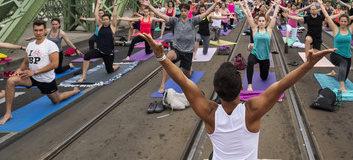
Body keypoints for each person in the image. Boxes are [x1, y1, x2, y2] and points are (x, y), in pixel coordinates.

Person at [138, 32, 335, 160]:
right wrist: (308, 64)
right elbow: (282, 85)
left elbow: (182, 80)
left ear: (216, 89)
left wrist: (161, 57)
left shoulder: (209, 112)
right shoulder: (252, 110)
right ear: (242, 87)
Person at [0, 20, 81, 125]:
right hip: (32, 77)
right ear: (33, 31)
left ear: (45, 31)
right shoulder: (30, 45)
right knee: (10, 81)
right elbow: (26, 61)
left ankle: (74, 91)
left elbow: (55, 64)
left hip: (46, 79)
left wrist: (35, 72)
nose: (38, 33)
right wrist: (19, 69)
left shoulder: (50, 45)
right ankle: (8, 113)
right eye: (36, 30)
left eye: (40, 30)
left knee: (56, 100)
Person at [142, 0, 221, 94]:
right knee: (166, 58)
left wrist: (215, 3)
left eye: (185, 11)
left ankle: (190, 69)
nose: (183, 12)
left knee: (187, 75)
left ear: (188, 12)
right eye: (182, 11)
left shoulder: (193, 21)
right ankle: (162, 85)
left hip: (188, 52)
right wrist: (149, 6)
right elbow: (161, 15)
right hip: (177, 49)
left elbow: (206, 13)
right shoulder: (175, 21)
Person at [320, 0, 353, 92]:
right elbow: (327, 17)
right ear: (339, 21)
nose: (343, 23)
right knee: (343, 64)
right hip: (336, 55)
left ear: (347, 22)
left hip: (347, 56)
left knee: (342, 76)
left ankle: (334, 74)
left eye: (345, 21)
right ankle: (342, 87)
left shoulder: (350, 29)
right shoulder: (335, 29)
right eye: (341, 21)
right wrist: (321, 5)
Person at [241, 0, 280, 91]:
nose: (261, 22)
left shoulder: (269, 30)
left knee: (264, 78)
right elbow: (249, 16)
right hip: (255, 54)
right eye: (260, 21)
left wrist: (277, 5)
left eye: (263, 21)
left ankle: (263, 74)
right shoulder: (254, 29)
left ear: (265, 22)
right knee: (250, 61)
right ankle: (250, 85)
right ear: (257, 22)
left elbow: (274, 17)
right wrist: (246, 4)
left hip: (265, 57)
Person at [77, 2, 120, 83]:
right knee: (87, 56)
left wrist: (114, 5)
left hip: (109, 53)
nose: (105, 21)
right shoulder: (100, 26)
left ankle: (116, 66)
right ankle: (83, 76)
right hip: (99, 50)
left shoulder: (113, 27)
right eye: (103, 19)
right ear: (102, 20)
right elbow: (96, 15)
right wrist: (97, 4)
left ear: (109, 20)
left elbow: (114, 16)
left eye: (107, 19)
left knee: (109, 70)